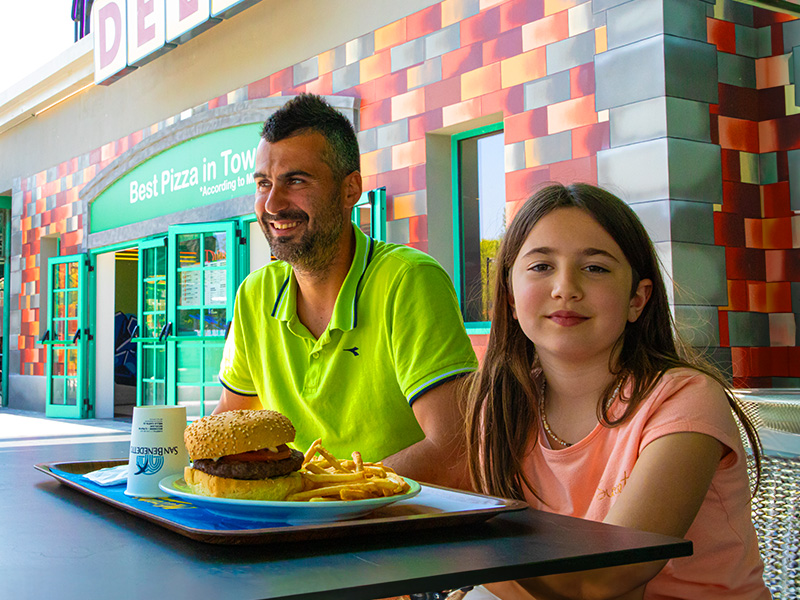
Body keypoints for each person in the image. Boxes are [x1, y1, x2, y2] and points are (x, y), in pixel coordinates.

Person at [463, 183, 769, 599]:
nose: (565, 288)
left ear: (637, 299)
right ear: (511, 298)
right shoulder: (502, 406)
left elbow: (605, 580)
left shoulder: (681, 399)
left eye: (595, 268)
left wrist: (458, 561)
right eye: (541, 266)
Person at [215, 94, 478, 488]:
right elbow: (228, 430)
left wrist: (318, 493)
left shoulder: (408, 280)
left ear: (350, 189)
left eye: (296, 181)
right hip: (290, 519)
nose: (271, 204)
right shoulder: (254, 294)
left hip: (401, 521)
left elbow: (454, 450)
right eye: (264, 183)